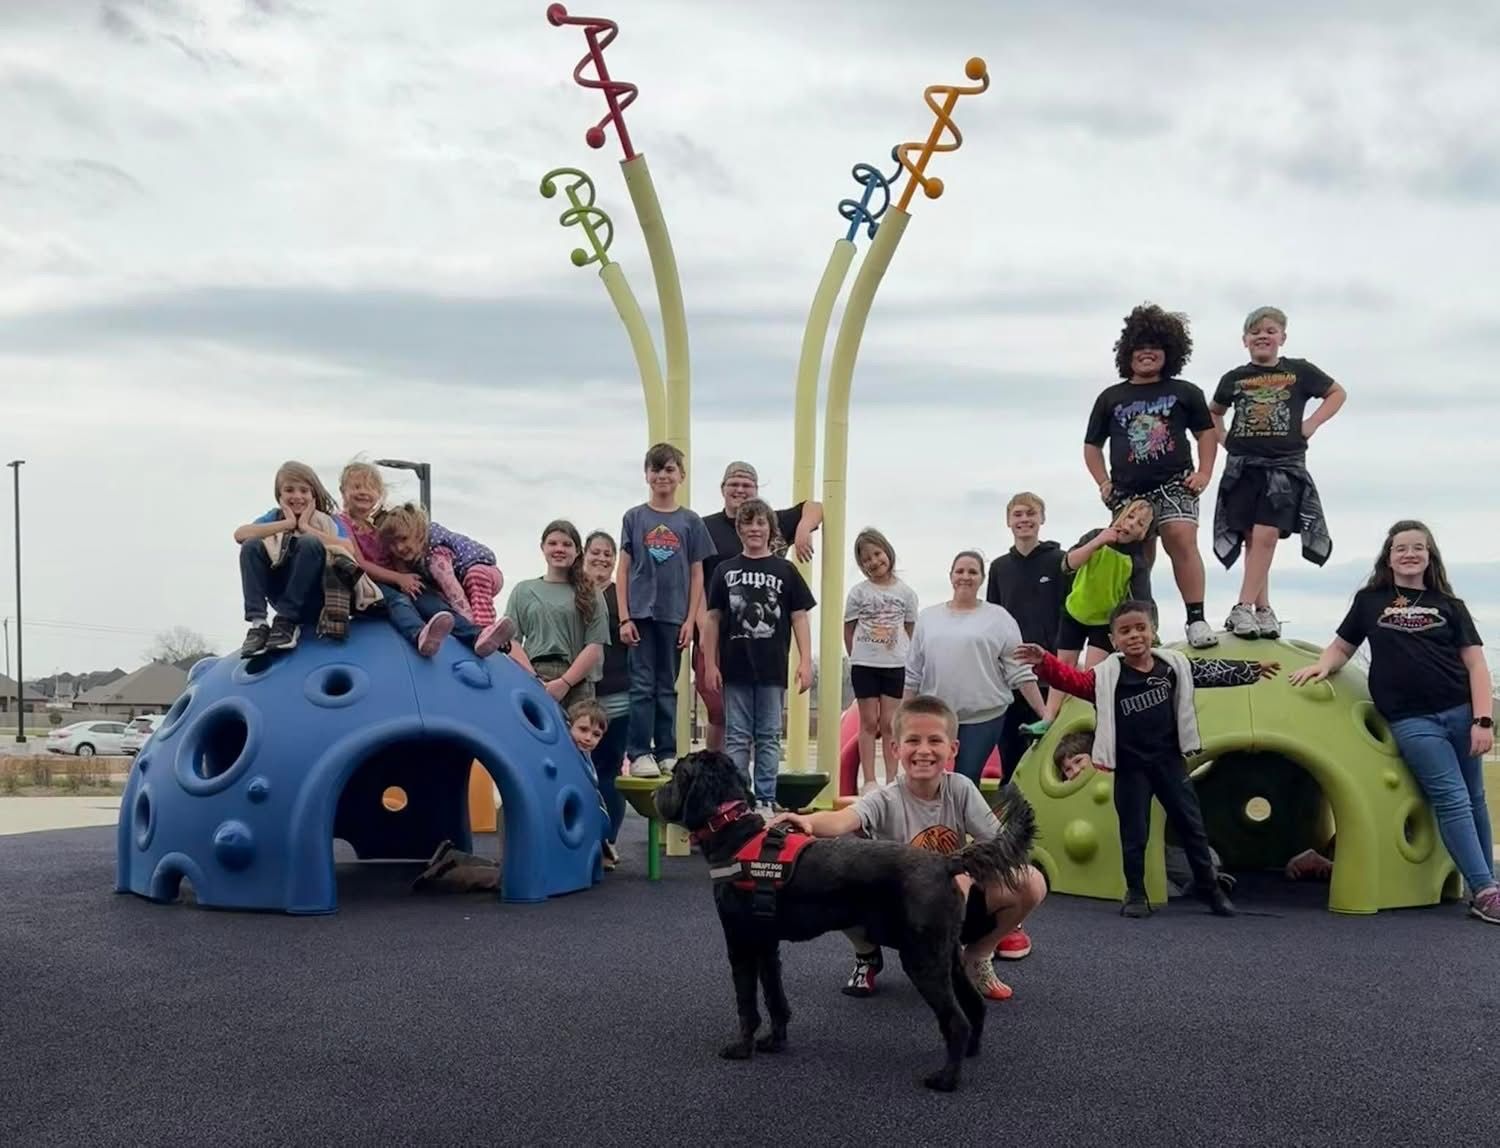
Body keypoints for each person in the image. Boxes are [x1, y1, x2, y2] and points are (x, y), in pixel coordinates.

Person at [773, 695, 1048, 1003]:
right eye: (913, 740)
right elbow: (843, 819)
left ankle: (977, 957)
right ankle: (867, 955)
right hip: (899, 910)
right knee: (839, 874)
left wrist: (970, 875)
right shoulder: (885, 798)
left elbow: (996, 844)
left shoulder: (960, 789)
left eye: (935, 740)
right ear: (895, 748)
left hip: (952, 902)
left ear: (952, 749)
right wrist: (807, 821)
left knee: (1030, 880)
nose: (924, 750)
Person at [1290, 520, 1497, 924]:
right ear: (1388, 556)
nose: (1409, 554)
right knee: (1452, 797)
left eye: (1418, 548)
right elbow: (1342, 647)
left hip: (1460, 711)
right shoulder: (1371, 601)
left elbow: (1475, 664)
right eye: (1401, 548)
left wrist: (1483, 720)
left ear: (1429, 555)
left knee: (1475, 799)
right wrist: (1320, 667)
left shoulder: (1449, 606)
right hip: (1412, 720)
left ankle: (1486, 884)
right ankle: (1485, 891)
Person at [1017, 601, 1279, 917]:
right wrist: (1044, 662)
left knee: (1191, 827)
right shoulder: (1106, 678)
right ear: (1113, 640)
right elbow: (1072, 680)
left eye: (1140, 628)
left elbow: (1208, 672)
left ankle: (1211, 891)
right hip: (1130, 768)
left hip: (1169, 762)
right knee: (1134, 833)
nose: (1134, 636)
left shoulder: (1172, 666)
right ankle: (1137, 894)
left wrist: (1250, 670)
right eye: (1125, 631)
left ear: (1153, 632)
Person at [1084, 303, 1219, 649]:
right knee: (1134, 558)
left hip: (1175, 483)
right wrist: (1103, 482)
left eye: (1155, 346)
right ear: (1127, 353)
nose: (1147, 353)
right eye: (1140, 347)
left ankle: (1196, 618)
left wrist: (1204, 472)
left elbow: (1205, 433)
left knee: (1180, 537)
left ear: (1169, 352)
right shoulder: (1111, 397)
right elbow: (1091, 446)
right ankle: (1141, 626)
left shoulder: (1185, 392)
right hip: (1128, 492)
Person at [1211, 306, 1343, 638]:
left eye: (1270, 331)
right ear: (1245, 341)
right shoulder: (1234, 378)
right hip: (1244, 466)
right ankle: (1263, 609)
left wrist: (1312, 423)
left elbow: (1337, 393)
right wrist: (1224, 438)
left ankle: (1241, 607)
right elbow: (1213, 412)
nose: (1262, 337)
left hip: (1283, 467)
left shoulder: (1299, 371)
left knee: (1268, 533)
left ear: (1282, 337)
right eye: (1255, 332)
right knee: (1253, 538)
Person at [695, 461, 824, 752]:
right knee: (721, 713)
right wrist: (703, 625)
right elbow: (696, 576)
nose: (740, 490)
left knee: (765, 726)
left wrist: (803, 528)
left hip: (767, 645)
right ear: (722, 489)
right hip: (720, 636)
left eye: (747, 485)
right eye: (734, 484)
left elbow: (815, 506)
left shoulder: (771, 521)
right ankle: (719, 776)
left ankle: (758, 788)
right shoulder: (704, 526)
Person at [701, 499, 816, 813]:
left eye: (760, 523)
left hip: (772, 669)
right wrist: (710, 663)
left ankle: (765, 798)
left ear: (771, 529)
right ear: (739, 529)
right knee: (737, 737)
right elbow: (712, 619)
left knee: (768, 736)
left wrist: (806, 661)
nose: (754, 529)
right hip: (734, 668)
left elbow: (799, 617)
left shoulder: (786, 570)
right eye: (747, 523)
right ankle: (739, 800)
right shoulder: (725, 570)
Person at [906, 551, 1047, 786]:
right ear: (951, 576)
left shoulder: (999, 618)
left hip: (983, 717)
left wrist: (1045, 714)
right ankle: (931, 823)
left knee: (964, 781)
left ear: (982, 578)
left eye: (973, 572)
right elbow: (912, 673)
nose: (965, 576)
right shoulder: (928, 618)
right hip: (936, 715)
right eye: (960, 571)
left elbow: (1020, 671)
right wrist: (904, 715)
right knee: (927, 779)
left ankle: (961, 823)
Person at [617, 442, 715, 778]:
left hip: (674, 615)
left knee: (667, 685)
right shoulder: (634, 518)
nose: (662, 475)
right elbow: (623, 568)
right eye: (656, 469)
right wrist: (624, 616)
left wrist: (691, 621)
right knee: (642, 684)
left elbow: (697, 573)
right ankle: (640, 751)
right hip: (640, 613)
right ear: (646, 475)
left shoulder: (690, 521)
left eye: (669, 469)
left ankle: (667, 751)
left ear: (681, 476)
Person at [1053, 730, 1236, 899]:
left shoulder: (1120, 773)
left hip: (1155, 848)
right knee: (1165, 888)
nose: (1075, 771)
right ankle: (1195, 888)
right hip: (1118, 859)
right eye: (1067, 769)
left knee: (1198, 860)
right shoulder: (1070, 799)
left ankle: (1210, 878)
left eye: (1078, 761)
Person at [1030, 499, 1155, 730]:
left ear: (1143, 533)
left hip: (1103, 622)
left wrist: (1150, 630)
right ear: (1121, 516)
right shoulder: (1096, 536)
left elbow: (1142, 601)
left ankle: (1079, 720)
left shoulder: (1137, 561)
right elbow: (1068, 564)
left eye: (1140, 524)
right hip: (1075, 611)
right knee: (1063, 665)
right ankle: (1047, 718)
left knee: (1091, 675)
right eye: (1130, 517)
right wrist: (1098, 542)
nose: (1131, 524)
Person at [234, 460, 351, 656]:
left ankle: (288, 620)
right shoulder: (275, 517)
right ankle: (259, 623)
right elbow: (240, 534)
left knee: (308, 543)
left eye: (304, 491)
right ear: (279, 495)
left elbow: (348, 549)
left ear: (313, 495)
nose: (297, 496)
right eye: (289, 490)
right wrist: (287, 524)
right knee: (251, 544)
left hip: (315, 595)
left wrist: (306, 527)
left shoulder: (328, 520)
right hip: (282, 590)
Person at [985, 493, 1064, 779]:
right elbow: (991, 620)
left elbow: (1071, 617)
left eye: (1031, 513)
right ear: (1008, 521)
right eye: (1018, 514)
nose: (1024, 520)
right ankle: (1013, 822)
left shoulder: (1060, 561)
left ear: (1041, 519)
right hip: (1011, 678)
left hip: (1051, 678)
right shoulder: (999, 568)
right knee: (1012, 758)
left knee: (1051, 755)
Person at [375, 503, 513, 658]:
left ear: (419, 533)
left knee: (475, 580)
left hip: (484, 572)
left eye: (404, 539)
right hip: (463, 579)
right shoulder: (414, 559)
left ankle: (484, 632)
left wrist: (468, 625)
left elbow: (453, 591)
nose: (399, 548)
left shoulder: (436, 558)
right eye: (392, 544)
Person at [505, 520, 610, 710]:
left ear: (578, 551)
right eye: (553, 543)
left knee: (577, 739)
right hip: (534, 676)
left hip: (577, 682)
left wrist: (565, 683)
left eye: (567, 544)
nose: (559, 549)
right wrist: (534, 680)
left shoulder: (591, 592)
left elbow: (594, 646)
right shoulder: (523, 590)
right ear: (542, 547)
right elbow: (511, 641)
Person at [844, 527, 919, 791]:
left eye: (877, 554)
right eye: (866, 559)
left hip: (895, 665)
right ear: (861, 565)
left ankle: (890, 779)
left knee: (889, 723)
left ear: (887, 552)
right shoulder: (858, 593)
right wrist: (857, 655)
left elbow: (910, 628)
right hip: (865, 664)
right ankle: (870, 781)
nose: (874, 562)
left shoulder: (906, 593)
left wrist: (902, 652)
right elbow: (849, 629)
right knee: (868, 722)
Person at [583, 530, 629, 865]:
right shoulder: (576, 593)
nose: (601, 558)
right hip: (580, 694)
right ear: (584, 556)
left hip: (617, 694)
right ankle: (580, 838)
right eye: (595, 552)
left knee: (609, 769)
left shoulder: (621, 597)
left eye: (607, 554)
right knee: (579, 770)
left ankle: (607, 841)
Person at [565, 698, 618, 871]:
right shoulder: (564, 754)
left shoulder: (586, 758)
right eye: (583, 730)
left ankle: (602, 848)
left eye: (596, 735)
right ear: (568, 726)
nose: (588, 738)